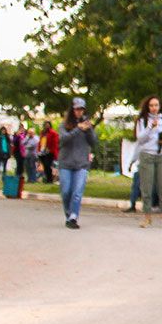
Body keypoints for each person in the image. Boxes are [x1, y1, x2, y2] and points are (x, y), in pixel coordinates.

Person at [134, 95, 162, 228]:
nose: (154, 108)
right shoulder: (142, 121)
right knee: (146, 187)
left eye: (156, 105)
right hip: (147, 156)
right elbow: (140, 139)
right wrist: (150, 127)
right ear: (147, 106)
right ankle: (147, 217)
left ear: (160, 106)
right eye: (151, 105)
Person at [58, 98, 97, 229]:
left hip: (81, 163)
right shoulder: (64, 125)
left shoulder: (86, 125)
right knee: (66, 191)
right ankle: (68, 214)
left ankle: (73, 216)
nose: (79, 112)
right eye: (76, 109)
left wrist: (89, 129)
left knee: (77, 192)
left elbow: (94, 142)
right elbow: (63, 140)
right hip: (66, 163)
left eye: (81, 109)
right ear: (72, 110)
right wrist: (78, 129)